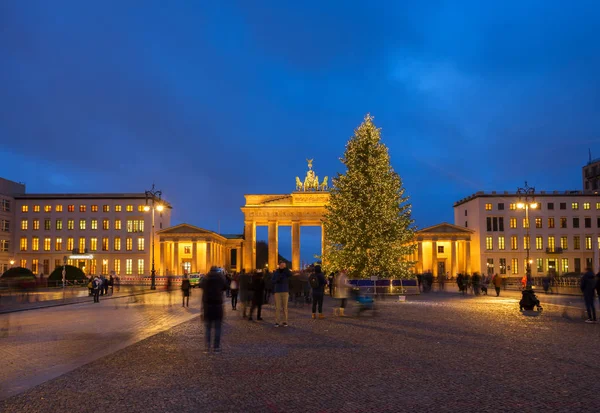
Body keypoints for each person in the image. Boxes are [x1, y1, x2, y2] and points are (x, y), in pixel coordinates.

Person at [200, 266, 226, 353]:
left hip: (207, 306)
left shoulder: (205, 279)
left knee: (208, 328)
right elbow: (226, 286)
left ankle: (207, 347)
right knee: (217, 328)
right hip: (218, 306)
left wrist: (201, 310)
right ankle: (216, 348)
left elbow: (201, 288)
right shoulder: (220, 279)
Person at [272, 261, 291, 327]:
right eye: (282, 265)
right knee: (278, 307)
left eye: (284, 265)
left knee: (285, 307)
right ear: (279, 265)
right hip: (277, 291)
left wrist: (286, 270)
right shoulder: (275, 272)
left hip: (285, 291)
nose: (283, 266)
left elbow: (290, 275)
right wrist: (277, 280)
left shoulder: (286, 272)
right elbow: (272, 281)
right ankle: (277, 322)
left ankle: (285, 321)